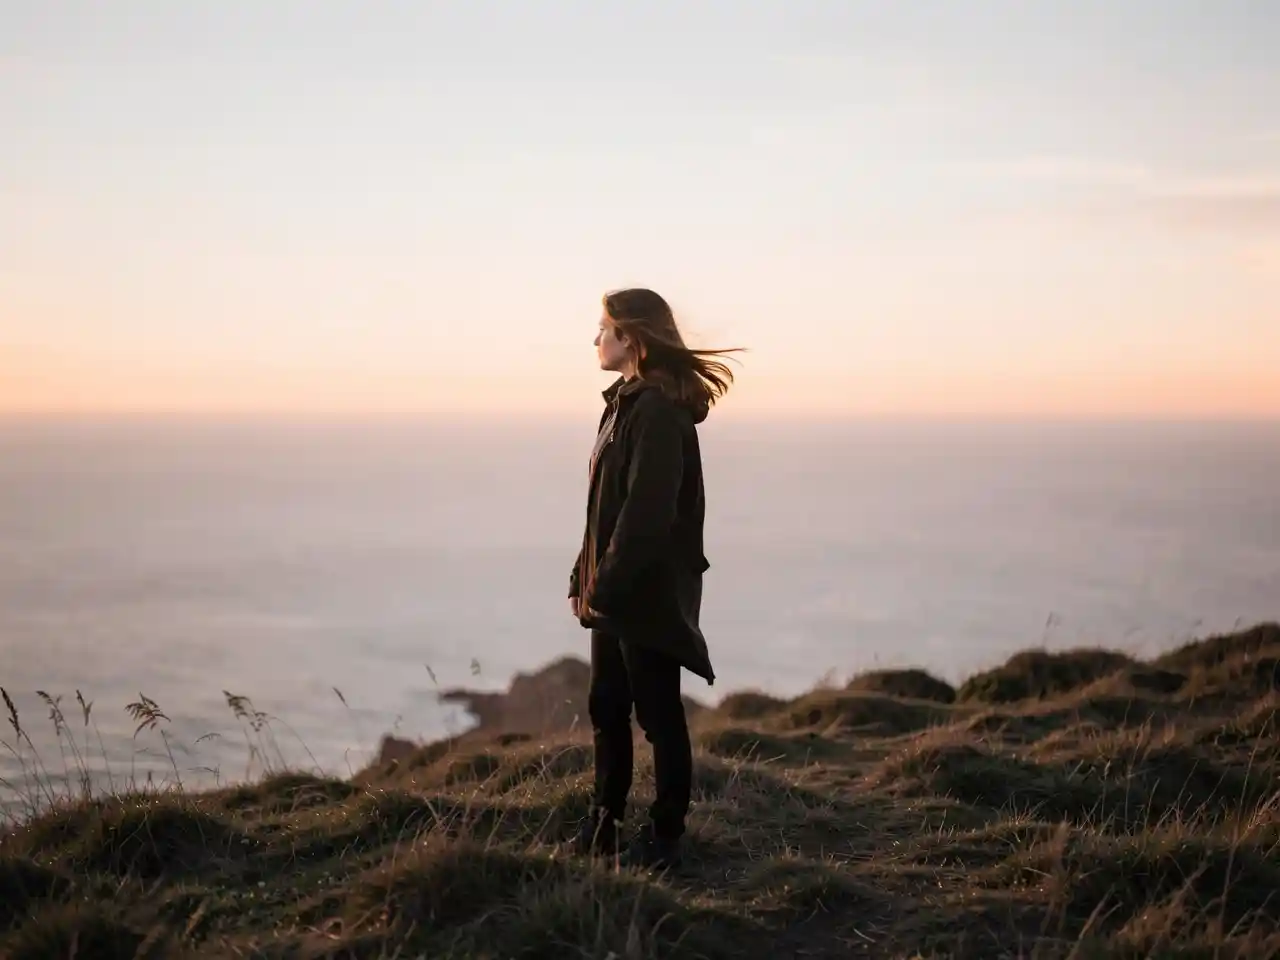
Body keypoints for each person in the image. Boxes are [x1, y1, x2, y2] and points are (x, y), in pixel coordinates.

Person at [568, 287, 741, 869]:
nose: (595, 339)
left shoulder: (660, 413)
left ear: (632, 339)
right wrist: (581, 577)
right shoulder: (622, 404)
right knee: (606, 707)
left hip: (643, 592)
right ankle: (604, 823)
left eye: (603, 329)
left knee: (659, 716)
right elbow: (603, 510)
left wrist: (603, 587)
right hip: (613, 589)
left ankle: (667, 836)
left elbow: (647, 514)